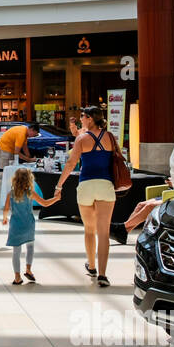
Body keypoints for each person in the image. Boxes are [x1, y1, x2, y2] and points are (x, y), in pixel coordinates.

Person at [54, 106, 119, 287]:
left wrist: (59, 185)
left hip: (86, 186)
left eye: (83, 117)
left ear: (90, 118)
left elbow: (70, 163)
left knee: (89, 230)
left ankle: (91, 266)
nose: (80, 119)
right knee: (104, 232)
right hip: (106, 186)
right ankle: (103, 274)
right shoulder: (109, 137)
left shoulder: (82, 139)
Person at [2, 166, 58, 285]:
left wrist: (4, 218)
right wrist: (56, 199)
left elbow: (6, 208)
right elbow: (45, 203)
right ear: (29, 180)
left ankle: (17, 276)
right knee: (30, 247)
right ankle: (28, 269)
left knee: (16, 252)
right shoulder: (30, 193)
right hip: (28, 224)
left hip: (15, 225)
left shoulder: (10, 194)